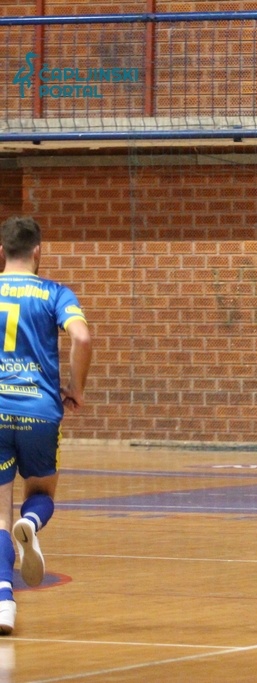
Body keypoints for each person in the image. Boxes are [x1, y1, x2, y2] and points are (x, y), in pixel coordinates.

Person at [0, 216, 92, 635]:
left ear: (2, 252)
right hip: (40, 409)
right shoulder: (55, 292)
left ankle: (4, 603)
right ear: (38, 251)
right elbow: (82, 338)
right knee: (40, 494)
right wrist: (76, 387)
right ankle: (32, 524)